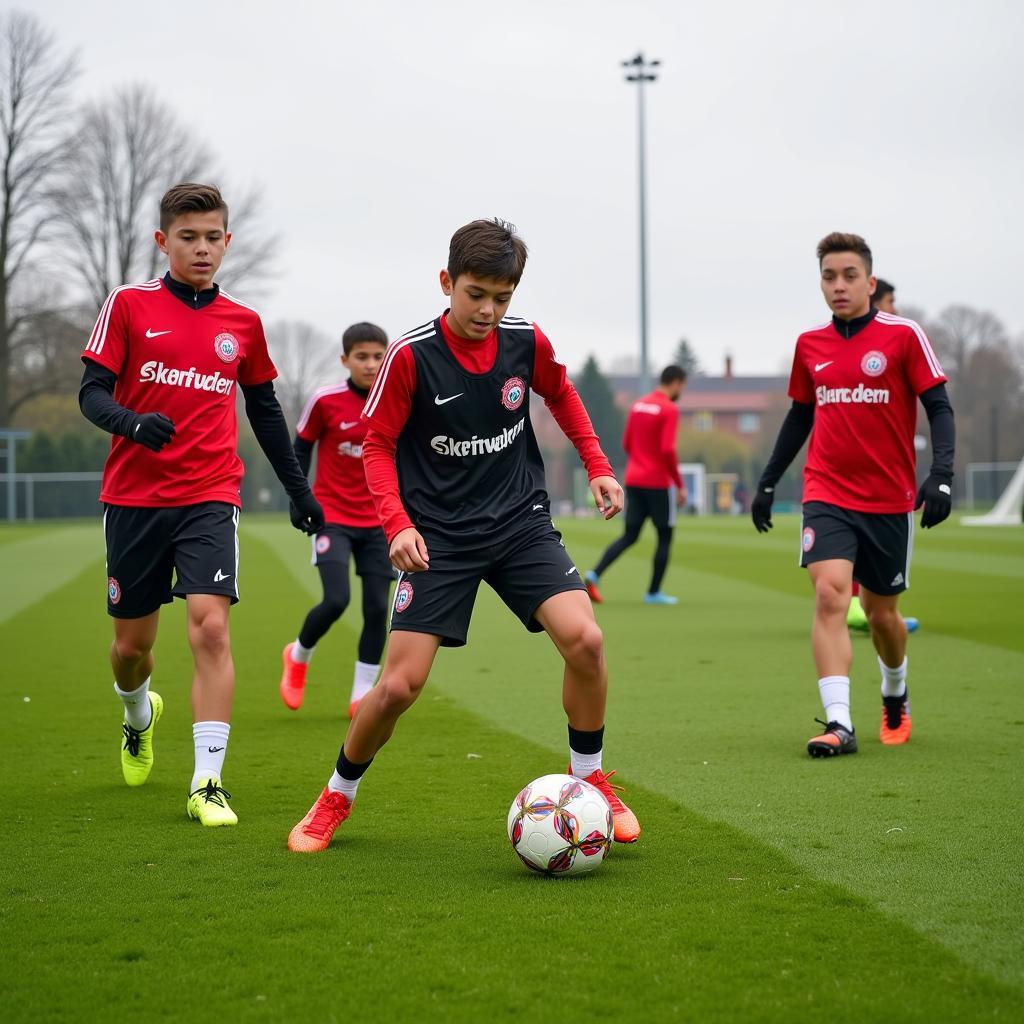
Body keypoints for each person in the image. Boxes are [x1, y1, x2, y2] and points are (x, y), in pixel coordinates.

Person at [287, 218, 641, 853]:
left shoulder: (524, 343)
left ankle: (590, 783)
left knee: (586, 641)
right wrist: (395, 524)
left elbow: (563, 397)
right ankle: (336, 796)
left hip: (520, 523)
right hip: (439, 537)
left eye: (502, 298)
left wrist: (599, 467)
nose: (488, 310)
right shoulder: (410, 355)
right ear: (447, 282)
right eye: (476, 293)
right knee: (398, 686)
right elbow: (378, 446)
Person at [79, 182, 324, 826]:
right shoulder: (129, 305)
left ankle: (206, 782)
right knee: (132, 647)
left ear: (227, 242)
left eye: (213, 237)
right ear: (163, 241)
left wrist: (301, 492)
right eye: (188, 237)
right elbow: (92, 393)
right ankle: (139, 714)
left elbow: (267, 412)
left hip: (211, 494)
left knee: (211, 628)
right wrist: (133, 423)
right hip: (132, 498)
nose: (202, 248)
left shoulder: (242, 323)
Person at [751, 232, 954, 756]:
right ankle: (839, 723)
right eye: (828, 277)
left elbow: (939, 406)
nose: (837, 286)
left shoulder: (904, 336)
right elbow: (800, 416)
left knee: (884, 615)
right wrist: (769, 482)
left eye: (847, 276)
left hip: (889, 499)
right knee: (829, 595)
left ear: (869, 281)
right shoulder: (809, 345)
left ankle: (894, 691)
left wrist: (942, 475)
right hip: (827, 492)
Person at [279, 323, 393, 718]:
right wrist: (300, 499)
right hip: (333, 517)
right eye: (362, 356)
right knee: (337, 599)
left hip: (380, 521)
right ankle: (298, 655)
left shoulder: (397, 400)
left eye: (379, 356)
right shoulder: (325, 400)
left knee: (379, 608)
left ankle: (362, 692)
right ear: (345, 360)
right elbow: (300, 447)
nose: (371, 364)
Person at [846, 278, 919, 634]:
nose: (895, 308)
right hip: (855, 472)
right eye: (891, 300)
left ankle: (874, 609)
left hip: (888, 471)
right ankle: (854, 607)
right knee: (852, 540)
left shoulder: (901, 339)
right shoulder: (841, 343)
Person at [584, 364, 688, 605]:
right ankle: (653, 592)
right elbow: (667, 449)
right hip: (658, 482)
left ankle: (594, 574)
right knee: (664, 535)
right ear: (676, 383)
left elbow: (627, 443)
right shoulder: (669, 409)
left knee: (630, 535)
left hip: (634, 479)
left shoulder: (638, 405)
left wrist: (641, 461)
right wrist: (679, 484)